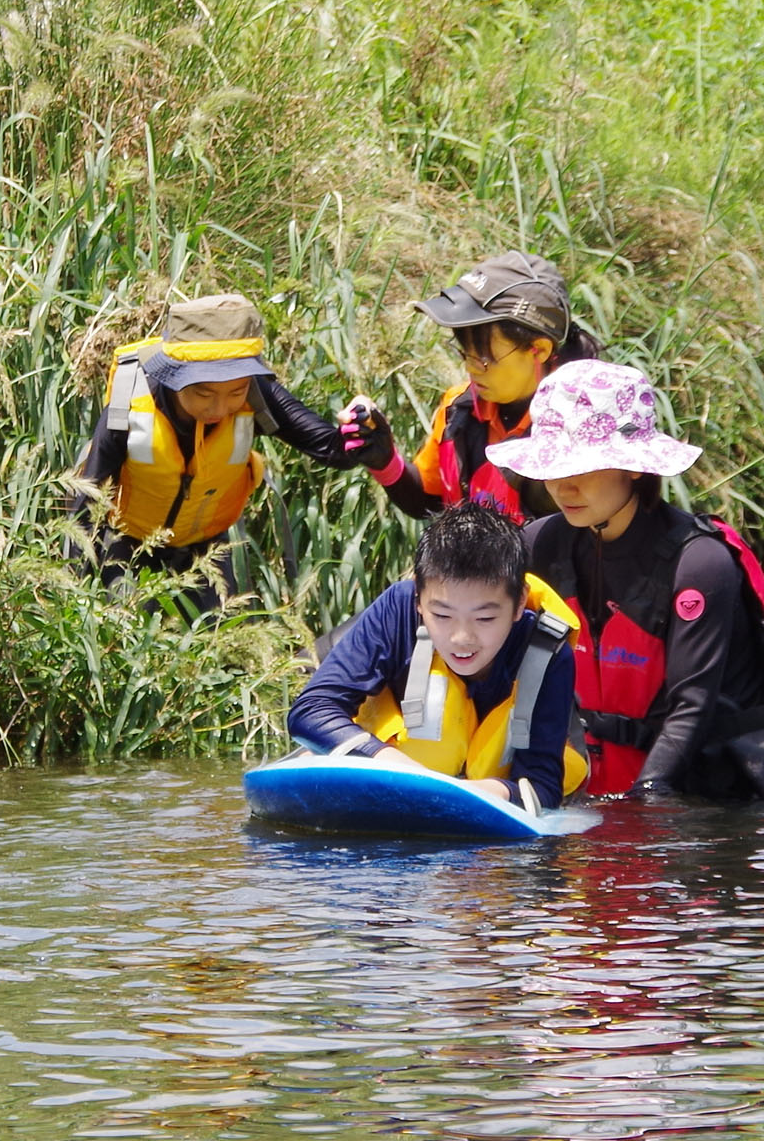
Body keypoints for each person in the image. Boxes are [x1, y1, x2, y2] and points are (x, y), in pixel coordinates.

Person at [496, 360, 764, 802]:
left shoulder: (699, 563)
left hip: (715, 796)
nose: (563, 487)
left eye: (582, 465)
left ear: (634, 467)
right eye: (554, 467)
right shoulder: (539, 545)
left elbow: (692, 707)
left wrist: (645, 800)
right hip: (594, 781)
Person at [286, 503, 590, 811]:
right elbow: (311, 711)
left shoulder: (548, 652)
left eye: (484, 619)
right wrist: (400, 770)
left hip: (480, 805)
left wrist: (460, 795)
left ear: (519, 601)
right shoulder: (397, 612)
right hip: (388, 776)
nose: (461, 638)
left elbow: (543, 786)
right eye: (442, 615)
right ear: (419, 598)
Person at [71, 294, 357, 615]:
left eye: (235, 392)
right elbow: (88, 498)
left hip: (206, 550)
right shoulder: (130, 400)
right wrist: (71, 589)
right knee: (126, 643)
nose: (219, 409)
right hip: (128, 544)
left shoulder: (256, 391)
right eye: (203, 393)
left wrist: (365, 434)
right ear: (172, 376)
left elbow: (335, 451)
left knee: (220, 646)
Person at [336, 251, 598, 523]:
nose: (470, 368)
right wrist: (385, 460)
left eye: (484, 357)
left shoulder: (591, 424)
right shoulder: (458, 407)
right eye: (465, 352)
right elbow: (429, 501)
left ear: (539, 349)